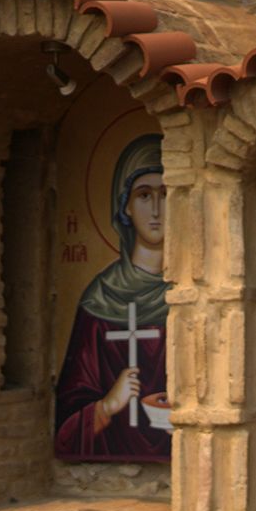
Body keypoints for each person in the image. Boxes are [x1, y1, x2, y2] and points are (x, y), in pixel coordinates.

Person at [55, 134, 171, 461]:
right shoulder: (100, 300)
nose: (157, 209)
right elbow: (65, 425)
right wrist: (107, 405)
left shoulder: (198, 290)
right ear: (125, 207)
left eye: (167, 193)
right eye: (144, 195)